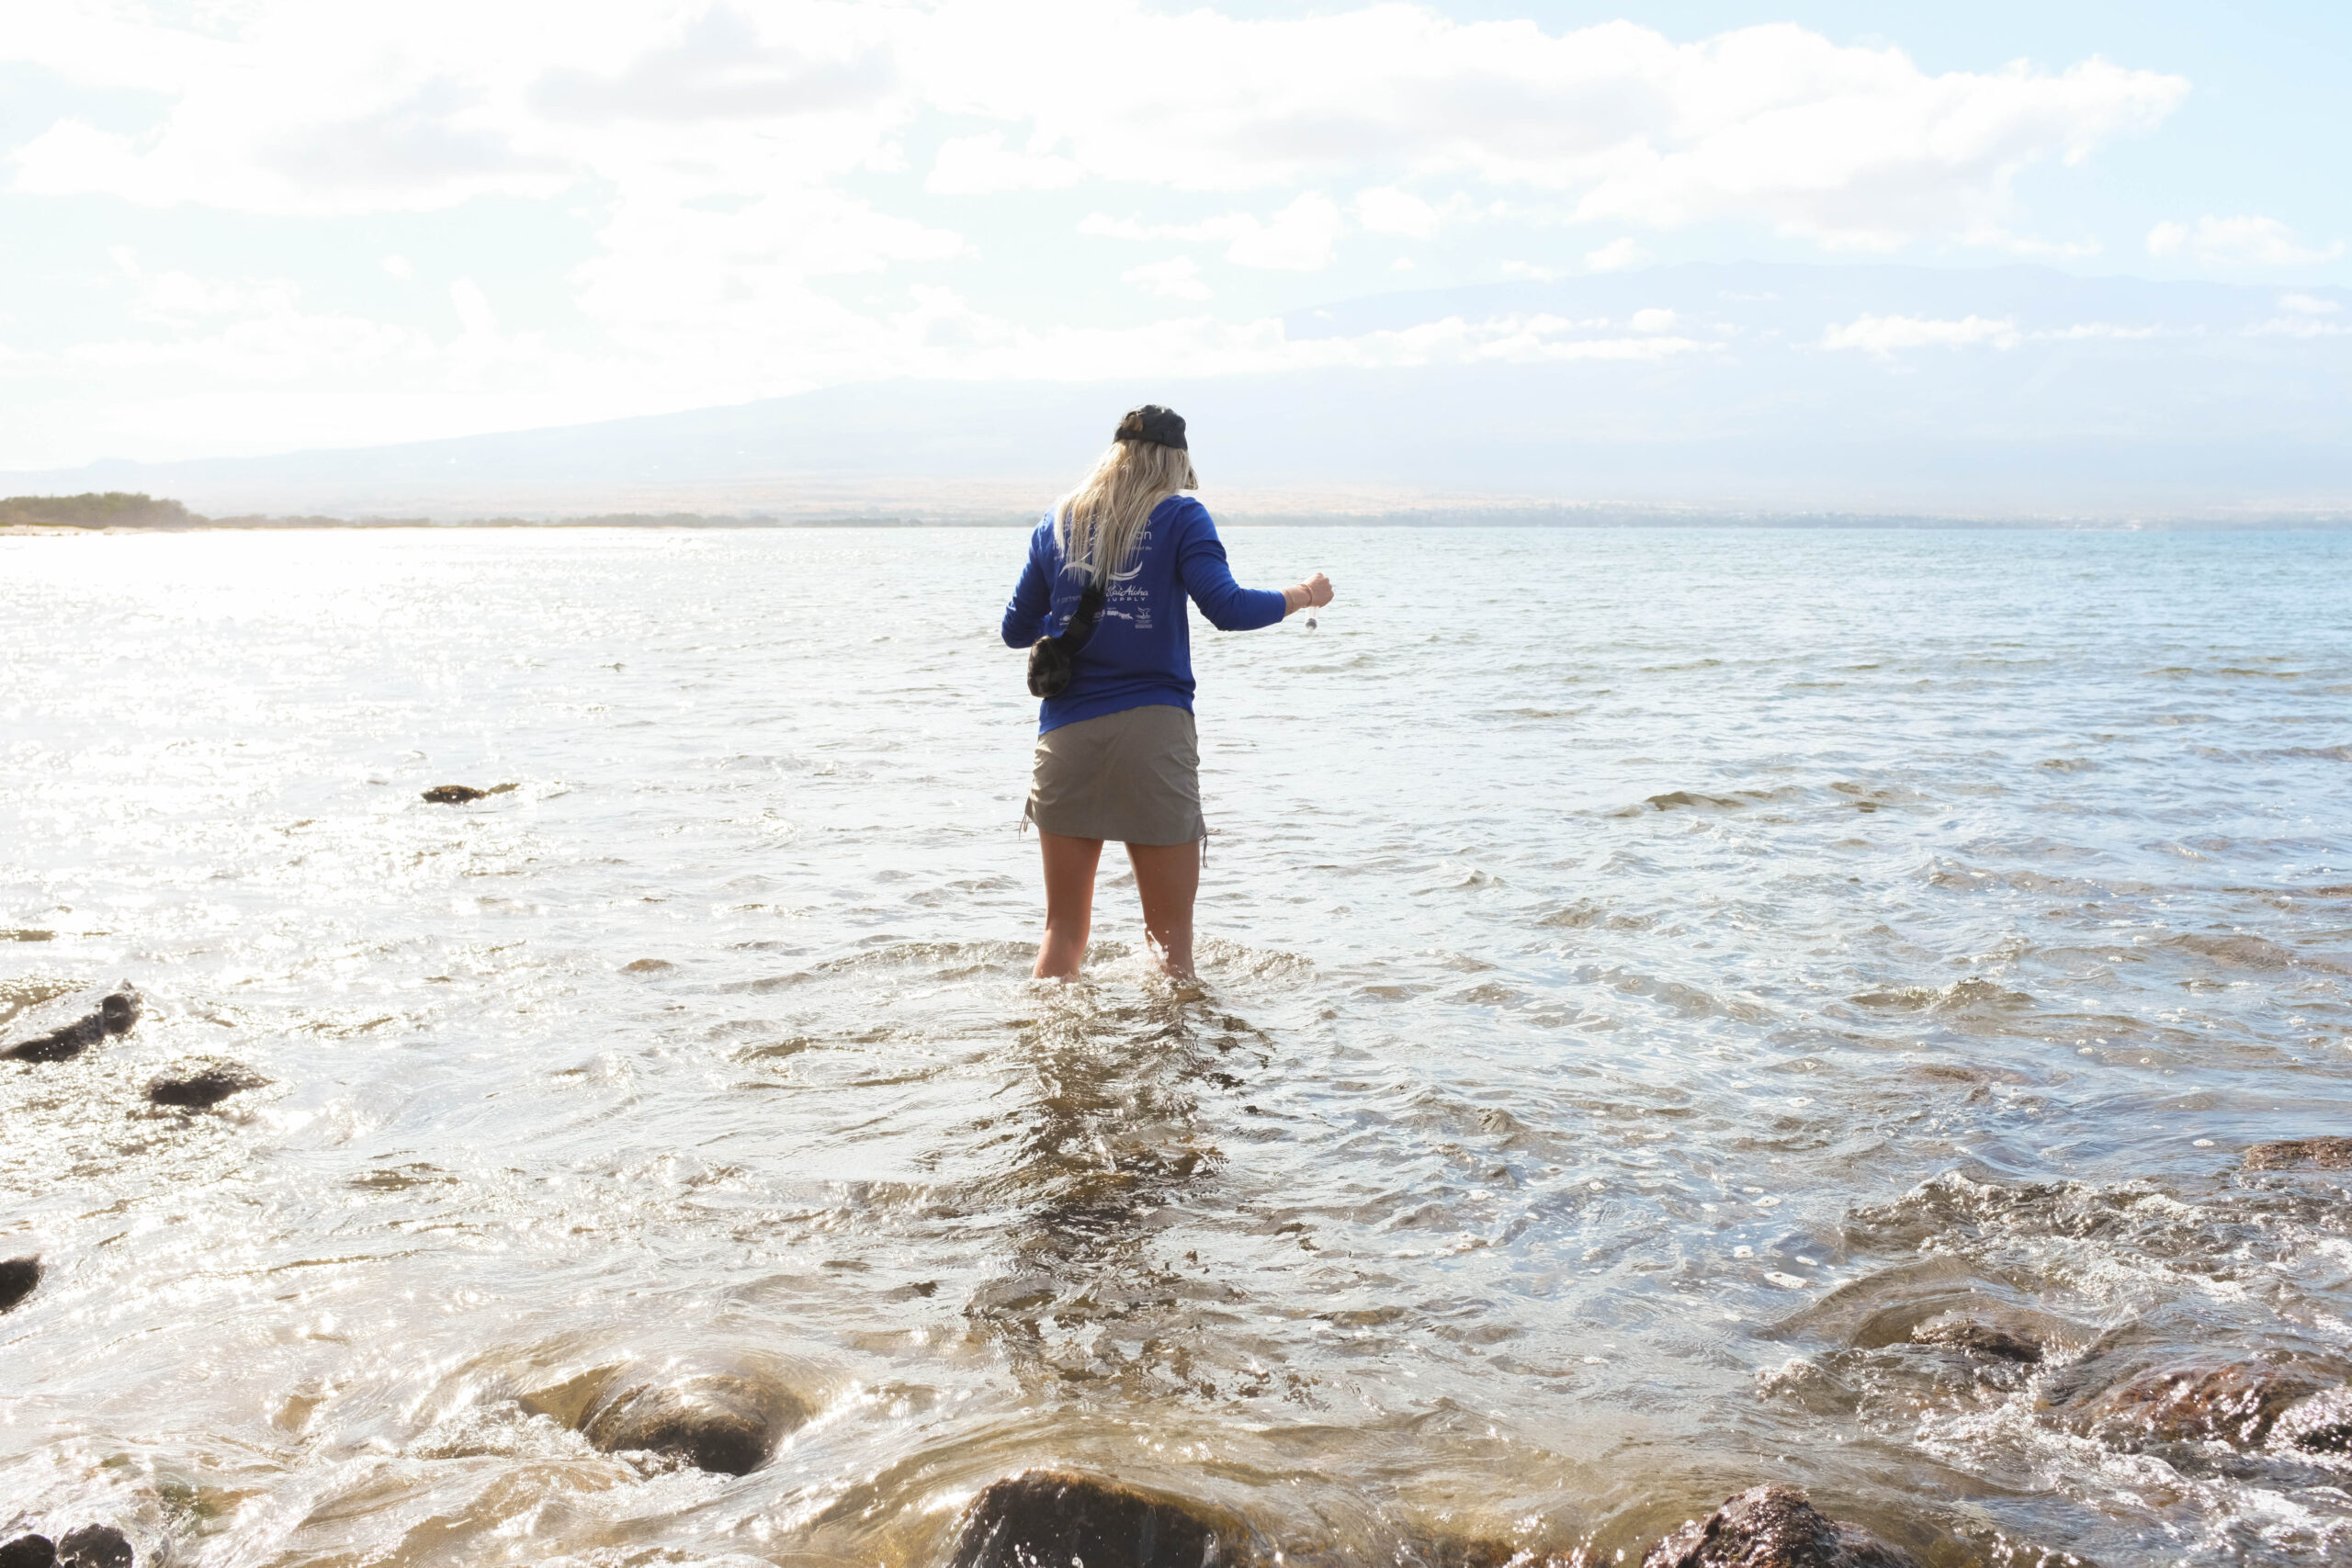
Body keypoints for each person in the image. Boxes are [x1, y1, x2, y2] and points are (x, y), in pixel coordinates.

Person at [1001, 404, 1333, 981]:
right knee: (1170, 944)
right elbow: (1228, 608)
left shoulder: (1058, 520)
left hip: (1066, 734)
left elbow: (1014, 630)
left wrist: (1073, 618)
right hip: (1153, 733)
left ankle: (1045, 1036)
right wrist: (1303, 594)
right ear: (1176, 461)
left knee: (1063, 932)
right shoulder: (1182, 516)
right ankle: (1175, 1040)